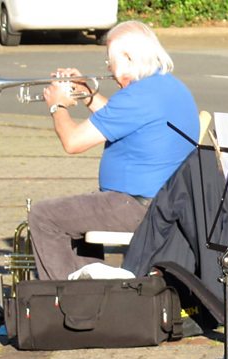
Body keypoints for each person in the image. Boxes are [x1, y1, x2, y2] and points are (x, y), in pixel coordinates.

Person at [29, 20, 198, 279]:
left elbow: (73, 142)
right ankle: (90, 295)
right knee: (79, 213)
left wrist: (57, 106)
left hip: (137, 205)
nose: (108, 68)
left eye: (111, 61)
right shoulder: (168, 86)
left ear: (129, 58)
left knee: (44, 216)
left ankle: (65, 300)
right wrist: (87, 94)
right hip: (161, 202)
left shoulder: (136, 96)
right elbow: (121, 119)